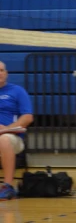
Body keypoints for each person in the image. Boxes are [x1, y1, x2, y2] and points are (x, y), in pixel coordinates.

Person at [0, 61, 33, 201]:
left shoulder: (17, 91)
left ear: (6, 74)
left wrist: (6, 129)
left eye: (1, 70)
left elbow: (27, 117)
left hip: (12, 137)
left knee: (3, 139)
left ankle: (7, 186)